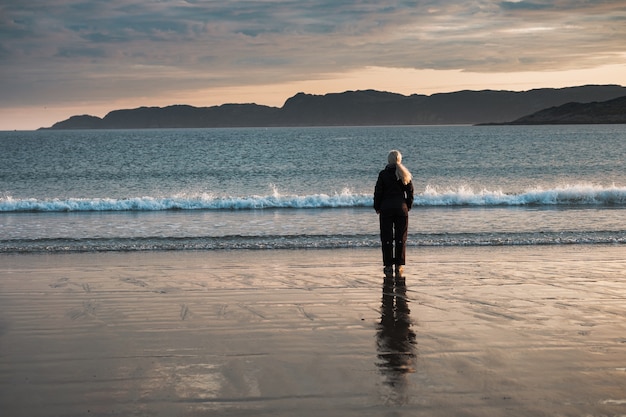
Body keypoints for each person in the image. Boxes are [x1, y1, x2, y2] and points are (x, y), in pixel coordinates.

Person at [374, 150, 414, 280]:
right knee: (401, 238)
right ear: (399, 160)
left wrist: (377, 207)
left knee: (386, 238)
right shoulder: (404, 174)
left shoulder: (383, 174)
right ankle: (399, 265)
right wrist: (408, 205)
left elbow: (378, 192)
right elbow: (410, 191)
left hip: (386, 209)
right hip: (401, 209)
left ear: (388, 160)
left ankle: (388, 265)